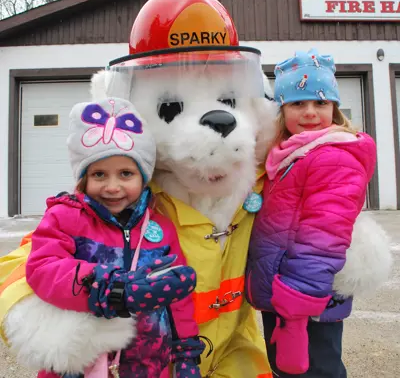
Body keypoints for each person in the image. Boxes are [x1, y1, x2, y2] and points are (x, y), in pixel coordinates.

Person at [25, 97, 205, 378]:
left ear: (143, 177)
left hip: (148, 365)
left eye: (125, 173)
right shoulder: (65, 217)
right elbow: (43, 268)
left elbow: (177, 299)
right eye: (98, 174)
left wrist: (186, 352)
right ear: (83, 178)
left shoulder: (159, 228)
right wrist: (112, 289)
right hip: (77, 364)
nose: (112, 187)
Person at [245, 49, 377, 378]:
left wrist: (298, 297)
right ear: (282, 109)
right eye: (298, 103)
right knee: (289, 369)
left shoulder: (333, 155)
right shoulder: (288, 153)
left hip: (306, 295)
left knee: (317, 369)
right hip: (283, 290)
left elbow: (325, 233)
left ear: (334, 107)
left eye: (321, 103)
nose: (310, 112)